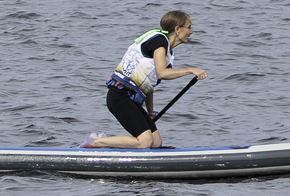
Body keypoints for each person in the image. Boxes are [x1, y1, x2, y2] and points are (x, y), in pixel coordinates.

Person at [83, 10, 207, 149]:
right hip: (120, 96)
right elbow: (162, 73)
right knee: (145, 142)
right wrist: (190, 70)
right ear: (177, 29)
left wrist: (150, 113)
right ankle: (96, 142)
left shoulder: (166, 50)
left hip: (131, 99)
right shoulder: (159, 42)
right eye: (189, 27)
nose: (191, 32)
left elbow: (149, 83)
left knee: (156, 142)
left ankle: (116, 148)